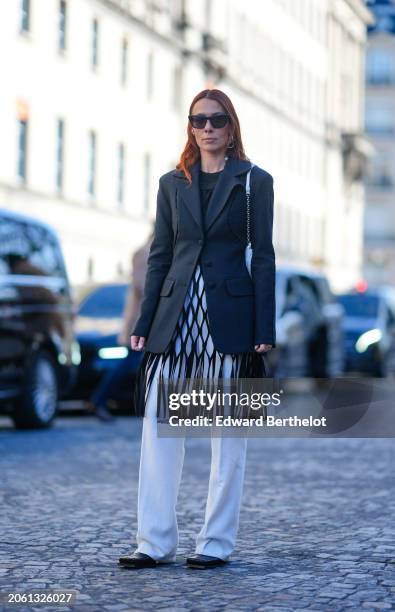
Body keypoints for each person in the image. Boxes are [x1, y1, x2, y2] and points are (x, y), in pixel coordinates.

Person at [118, 88, 276, 570]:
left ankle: (214, 544)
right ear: (190, 128)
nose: (207, 128)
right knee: (159, 431)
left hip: (228, 321)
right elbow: (160, 256)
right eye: (198, 120)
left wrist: (263, 325)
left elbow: (264, 256)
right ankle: (154, 542)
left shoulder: (254, 181)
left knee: (227, 437)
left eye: (217, 120)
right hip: (175, 320)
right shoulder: (172, 183)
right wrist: (145, 321)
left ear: (232, 128)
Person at [87, 235, 154, 422]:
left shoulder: (147, 251)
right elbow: (143, 285)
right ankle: (98, 400)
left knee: (134, 363)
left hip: (144, 317)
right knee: (129, 363)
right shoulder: (144, 253)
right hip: (141, 318)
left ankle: (99, 401)